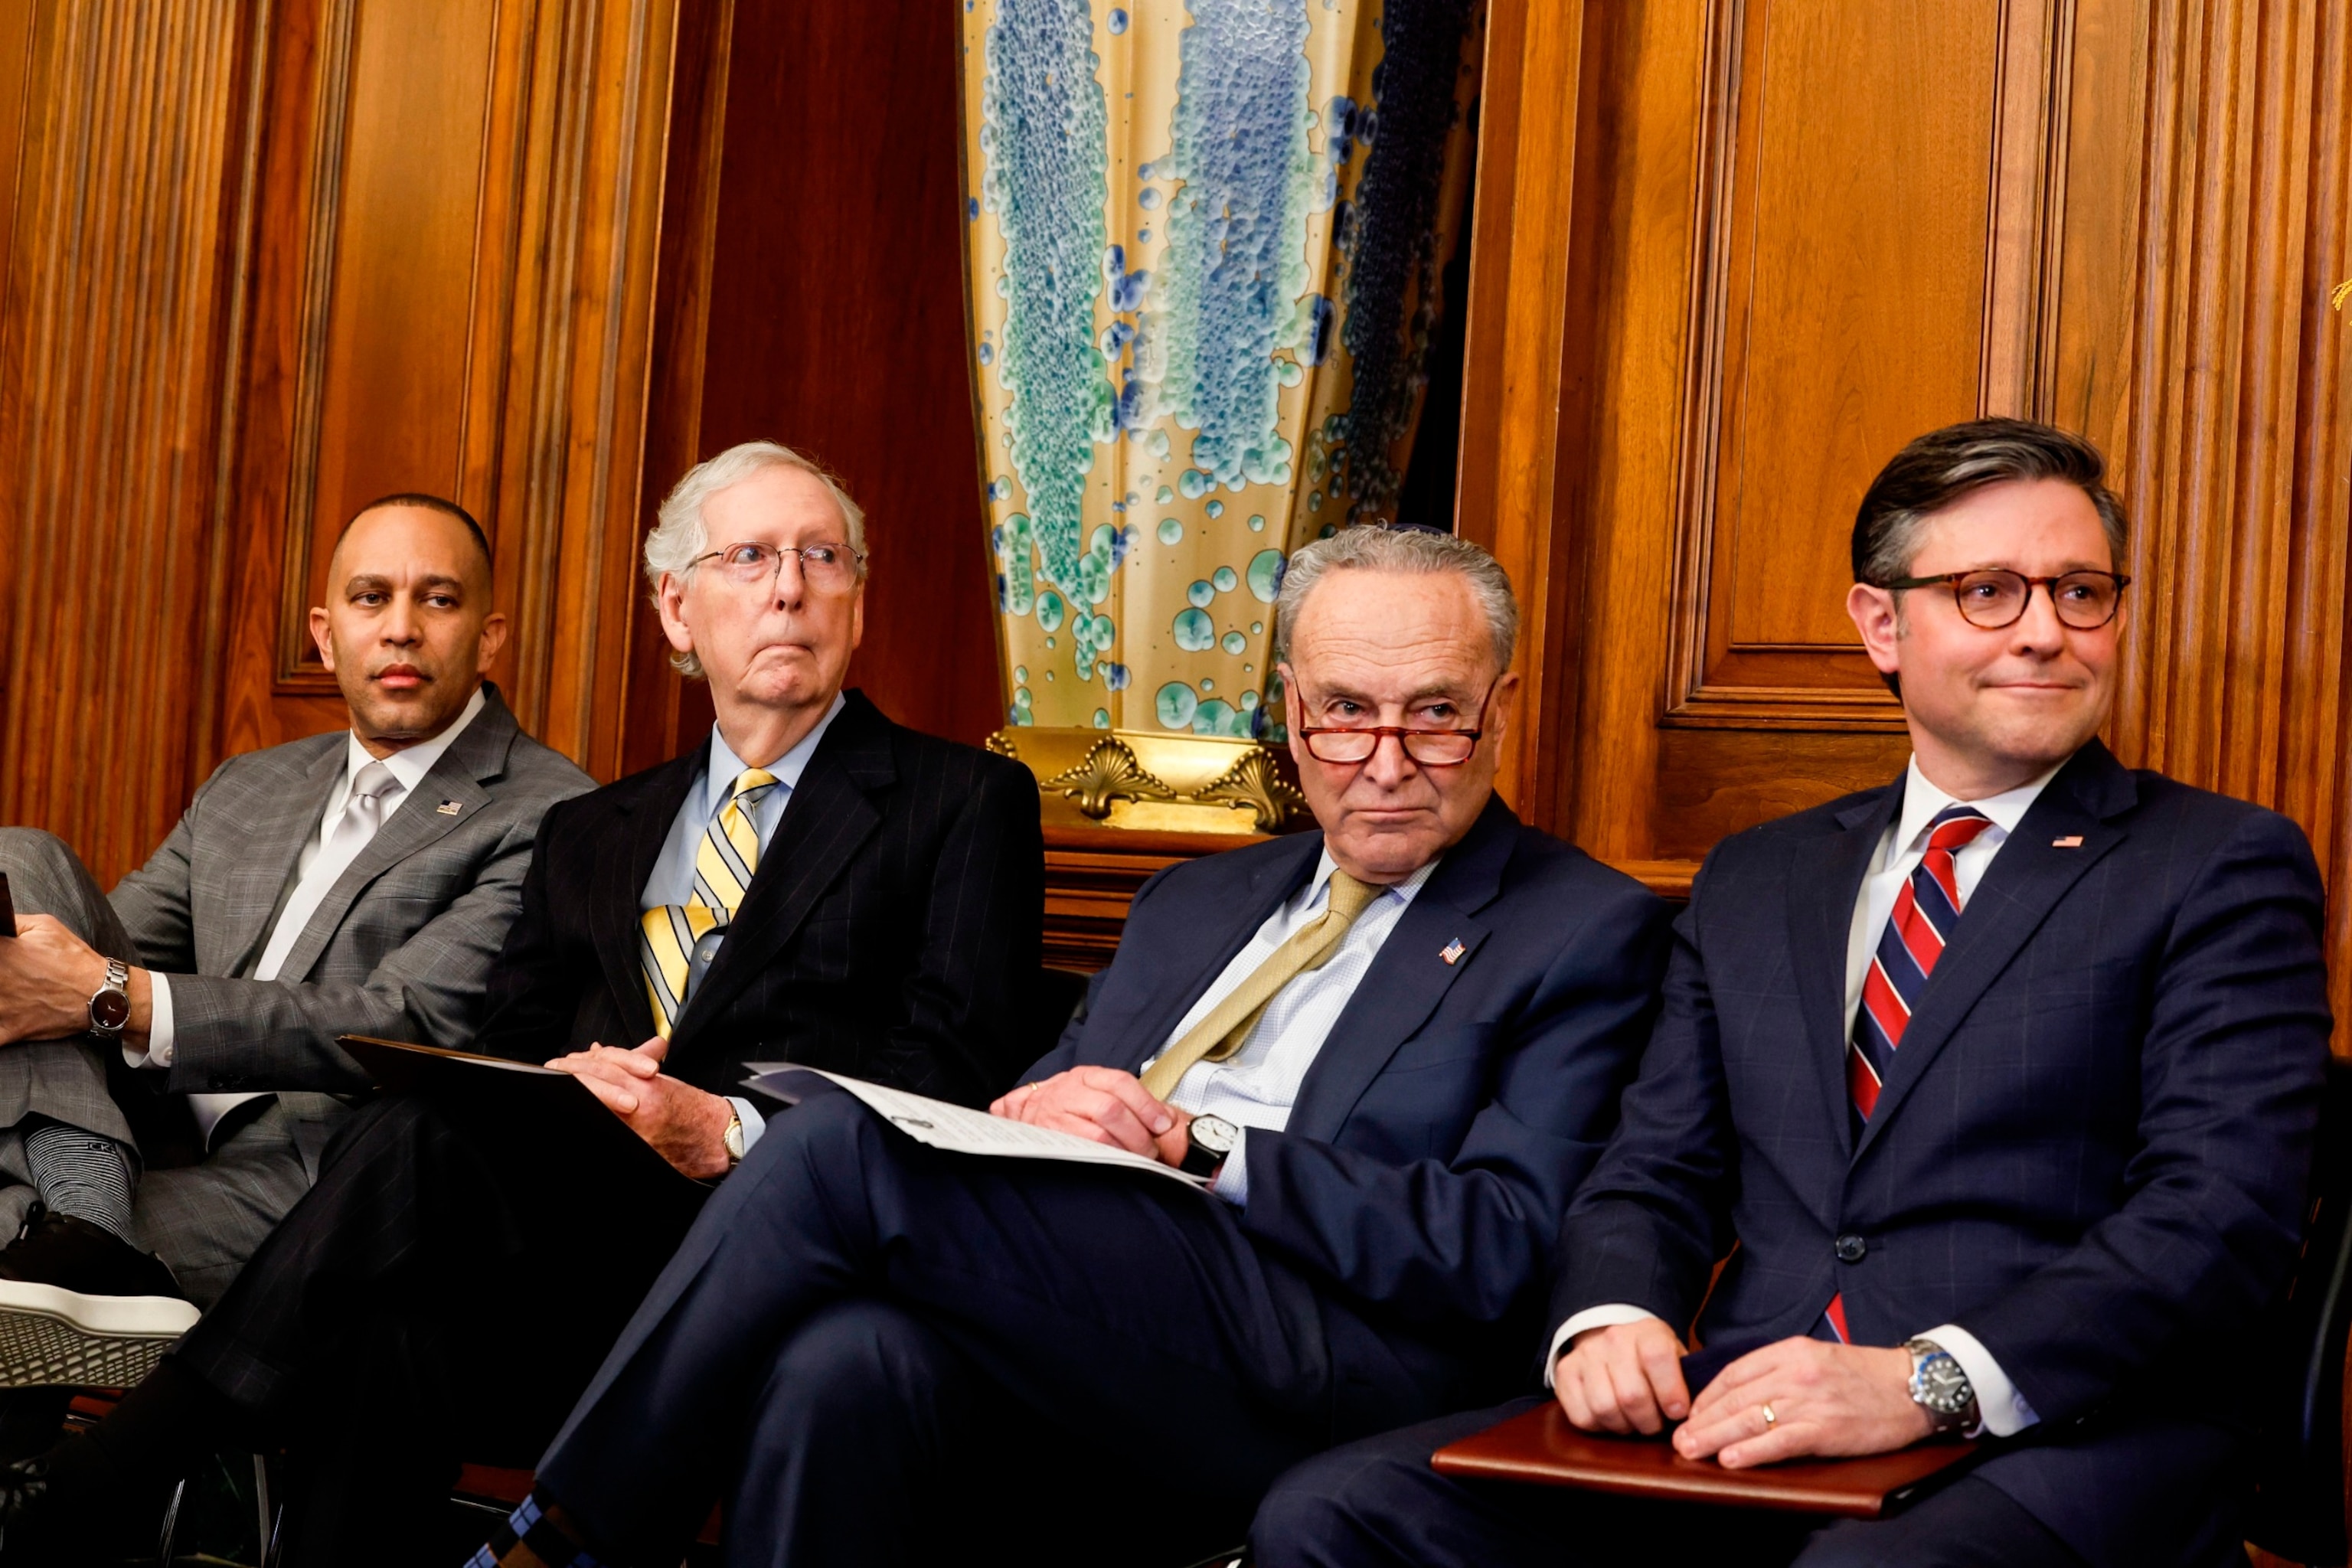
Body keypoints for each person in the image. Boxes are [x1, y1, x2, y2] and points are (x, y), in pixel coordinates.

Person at [452, 524, 1676, 1568]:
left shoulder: (1582, 929)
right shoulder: (1197, 904)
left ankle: (557, 1538)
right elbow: (1043, 1099)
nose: (1387, 764)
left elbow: (1506, 1245)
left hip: (1329, 1353)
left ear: (1501, 710)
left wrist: (1201, 1145)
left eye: (1438, 720)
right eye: (1347, 715)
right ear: (1293, 711)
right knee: (849, 1362)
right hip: (1105, 1312)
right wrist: (1028, 1116)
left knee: (833, 1151)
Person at [1247, 418, 2333, 1568]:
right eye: (1989, 593)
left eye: (2080, 592)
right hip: (1751, 1410)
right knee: (1337, 1516)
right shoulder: (1762, 876)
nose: (2045, 634)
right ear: (1881, 625)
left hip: (2066, 1428)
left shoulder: (2218, 864)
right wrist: (1609, 1322)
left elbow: (2218, 1219)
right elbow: (1657, 1170)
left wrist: (1929, 1382)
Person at [0, 441, 1046, 1565]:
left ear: (856, 596)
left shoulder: (962, 801)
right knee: (388, 1311)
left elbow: (954, 1073)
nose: (787, 585)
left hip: (768, 1236)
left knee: (412, 1148)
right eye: (748, 557)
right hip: (565, 1248)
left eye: (819, 557)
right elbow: (498, 1053)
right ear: (678, 611)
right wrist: (561, 1086)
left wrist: (727, 1126)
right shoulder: (602, 827)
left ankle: (105, 1475)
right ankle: (99, 1419)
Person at [0, 494, 590, 1348]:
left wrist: (117, 999)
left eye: (438, 598)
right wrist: (91, 988)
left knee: (8, 1233)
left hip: (314, 1175)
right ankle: (87, 1214)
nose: (400, 628)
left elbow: (412, 1020)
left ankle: (64, 1316)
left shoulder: (552, 810)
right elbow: (61, 967)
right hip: (137, 1132)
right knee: (21, 861)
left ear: (489, 636)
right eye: (370, 596)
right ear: (325, 633)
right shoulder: (250, 784)